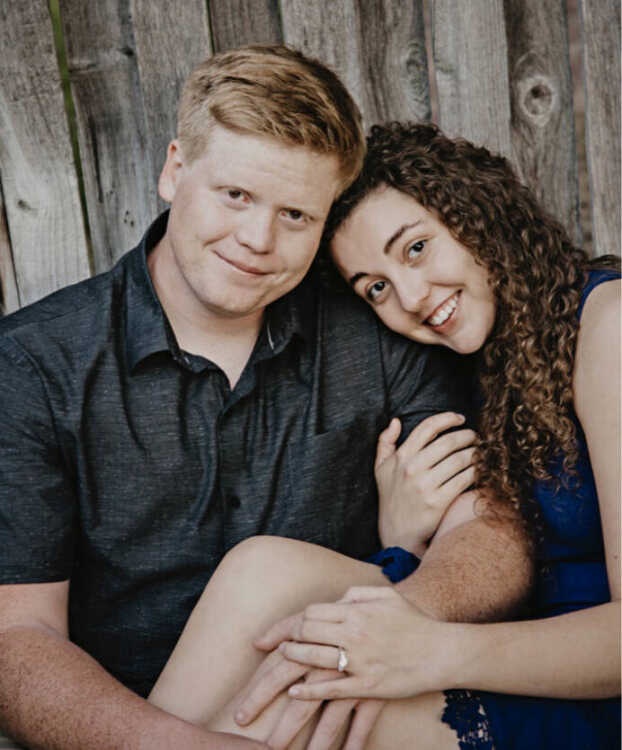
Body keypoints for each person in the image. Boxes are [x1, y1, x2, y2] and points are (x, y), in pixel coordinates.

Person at [0, 51, 532, 750]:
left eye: (295, 214)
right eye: (235, 196)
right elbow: (17, 637)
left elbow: (493, 532)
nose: (257, 240)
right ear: (175, 170)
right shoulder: (32, 364)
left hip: (333, 708)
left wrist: (391, 623)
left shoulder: (377, 328)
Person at [177, 122, 616, 748]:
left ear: (478, 215)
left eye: (415, 248)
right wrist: (405, 539)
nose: (409, 298)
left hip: (595, 700)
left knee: (303, 709)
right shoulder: (495, 360)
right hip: (517, 661)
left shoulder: (609, 326)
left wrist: (433, 651)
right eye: (376, 288)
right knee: (261, 572)